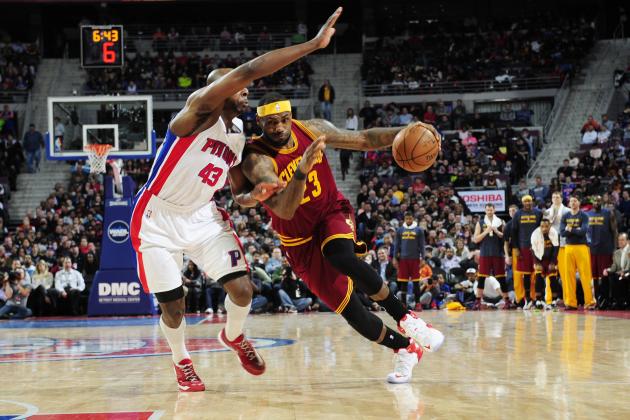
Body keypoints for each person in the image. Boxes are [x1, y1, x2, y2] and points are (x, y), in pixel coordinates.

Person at [129, 8, 344, 392]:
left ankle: (233, 335)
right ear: (220, 91)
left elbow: (238, 196)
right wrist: (312, 45)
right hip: (158, 218)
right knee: (174, 307)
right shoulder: (196, 113)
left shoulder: (239, 134)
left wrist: (254, 195)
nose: (246, 90)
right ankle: (182, 361)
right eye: (239, 87)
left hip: (202, 216)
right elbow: (250, 69)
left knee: (243, 290)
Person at [235, 90, 444, 384]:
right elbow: (285, 209)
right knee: (352, 312)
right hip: (298, 239)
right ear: (260, 123)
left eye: (284, 119)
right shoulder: (257, 160)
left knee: (340, 255)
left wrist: (409, 131)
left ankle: (407, 318)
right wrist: (301, 171)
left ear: (291, 116)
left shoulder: (313, 129)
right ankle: (406, 348)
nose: (279, 127)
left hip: (330, 212)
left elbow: (364, 139)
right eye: (271, 123)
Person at [560, 196, 596, 310]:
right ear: (569, 203)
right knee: (569, 276)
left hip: (582, 247)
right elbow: (562, 233)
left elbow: (583, 231)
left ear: (579, 203)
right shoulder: (565, 216)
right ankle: (571, 303)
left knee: (585, 276)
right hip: (568, 247)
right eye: (571, 201)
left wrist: (570, 229)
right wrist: (576, 230)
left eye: (575, 201)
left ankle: (589, 302)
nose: (573, 203)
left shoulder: (584, 215)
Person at [473, 203, 509, 310]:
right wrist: (486, 232)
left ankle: (507, 301)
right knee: (481, 278)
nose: (489, 212)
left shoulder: (501, 222)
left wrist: (497, 231)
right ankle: (478, 302)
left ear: (494, 210)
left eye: (491, 210)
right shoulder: (480, 223)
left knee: (501, 278)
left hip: (498, 253)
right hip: (485, 253)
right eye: (487, 210)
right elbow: (476, 239)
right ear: (485, 211)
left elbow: (506, 237)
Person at [511, 195, 542, 308]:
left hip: (537, 247)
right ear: (522, 203)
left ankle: (538, 299)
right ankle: (527, 299)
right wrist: (516, 248)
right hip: (523, 247)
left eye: (529, 201)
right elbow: (513, 232)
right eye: (525, 201)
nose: (528, 203)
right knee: (526, 274)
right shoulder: (517, 214)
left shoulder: (538, 213)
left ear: (532, 202)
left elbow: (542, 229)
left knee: (538, 273)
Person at [587, 195, 617, 308]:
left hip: (605, 249)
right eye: (595, 201)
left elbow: (614, 231)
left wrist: (615, 249)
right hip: (592, 250)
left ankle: (606, 299)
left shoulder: (608, 213)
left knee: (604, 276)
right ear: (592, 202)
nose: (597, 202)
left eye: (599, 201)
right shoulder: (587, 214)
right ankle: (596, 299)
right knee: (594, 277)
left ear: (602, 202)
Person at [395, 212, 426, 310]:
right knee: (403, 282)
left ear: (413, 218)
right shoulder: (400, 230)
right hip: (403, 260)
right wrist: (395, 258)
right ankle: (403, 304)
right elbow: (396, 245)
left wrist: (423, 258)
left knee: (416, 282)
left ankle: (418, 303)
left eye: (410, 218)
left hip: (415, 259)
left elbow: (422, 245)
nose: (408, 220)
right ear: (404, 219)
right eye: (407, 218)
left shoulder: (419, 230)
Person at [531, 219, 560, 310]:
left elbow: (556, 248)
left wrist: (553, 262)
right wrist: (536, 263)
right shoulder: (535, 234)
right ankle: (538, 301)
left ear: (550, 226)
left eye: (546, 226)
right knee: (538, 279)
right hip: (540, 259)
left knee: (553, 279)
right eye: (542, 226)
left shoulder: (554, 233)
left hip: (550, 259)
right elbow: (533, 249)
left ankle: (554, 301)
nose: (544, 228)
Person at [603, 233, 630, 309]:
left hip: (628, 272)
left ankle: (622, 301)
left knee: (617, 277)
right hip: (619, 273)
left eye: (622, 240)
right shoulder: (616, 253)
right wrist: (607, 270)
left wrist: (624, 272)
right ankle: (607, 301)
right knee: (606, 276)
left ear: (628, 241)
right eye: (619, 240)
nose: (620, 242)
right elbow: (614, 266)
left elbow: (629, 265)